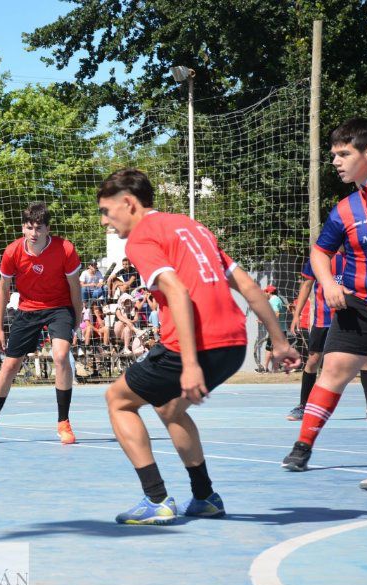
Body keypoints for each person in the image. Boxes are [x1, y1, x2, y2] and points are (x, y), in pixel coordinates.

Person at [96, 168, 299, 525]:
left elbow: (177, 291)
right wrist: (279, 341)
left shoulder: (141, 239)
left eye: (106, 211)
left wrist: (189, 364)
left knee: (118, 401)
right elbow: (248, 286)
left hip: (192, 346)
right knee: (169, 408)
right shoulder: (194, 227)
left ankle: (155, 499)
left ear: (128, 203)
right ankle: (205, 497)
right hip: (234, 344)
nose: (104, 221)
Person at [278, 118, 367, 484]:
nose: (336, 160)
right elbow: (319, 253)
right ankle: (302, 447)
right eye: (333, 154)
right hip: (357, 307)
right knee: (332, 370)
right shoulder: (347, 207)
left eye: (344, 153)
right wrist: (328, 282)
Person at [0, 202, 82, 445]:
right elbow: (3, 290)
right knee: (10, 365)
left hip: (58, 308)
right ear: (23, 228)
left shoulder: (65, 249)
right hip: (27, 309)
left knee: (61, 356)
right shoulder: (12, 252)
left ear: (47, 229)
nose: (34, 233)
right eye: (29, 227)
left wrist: (79, 318)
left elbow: (75, 287)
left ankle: (63, 422)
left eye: (39, 228)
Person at [286, 255, 367, 421]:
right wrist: (297, 314)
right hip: (323, 319)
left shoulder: (356, 255)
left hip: (351, 319)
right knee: (313, 360)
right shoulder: (320, 258)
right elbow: (306, 285)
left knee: (365, 361)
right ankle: (303, 406)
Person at [261, 285, 289, 372]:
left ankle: (265, 368)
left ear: (269, 292)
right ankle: (276, 369)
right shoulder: (277, 299)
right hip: (281, 329)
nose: (263, 293)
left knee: (269, 349)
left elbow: (276, 314)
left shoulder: (274, 300)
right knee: (276, 350)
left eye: (265, 292)